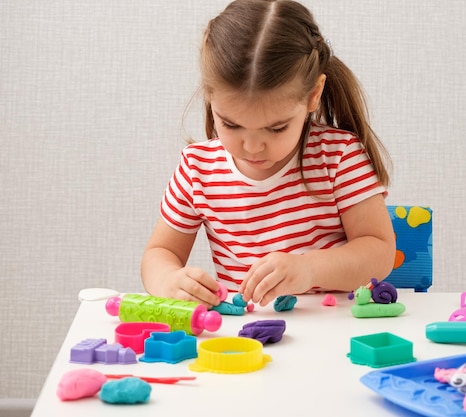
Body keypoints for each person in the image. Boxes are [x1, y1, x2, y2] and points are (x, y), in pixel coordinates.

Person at [141, 0, 395, 308]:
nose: (252, 147)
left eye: (276, 128)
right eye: (231, 124)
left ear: (313, 96)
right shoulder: (198, 169)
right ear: (210, 96)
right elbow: (159, 254)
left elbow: (380, 253)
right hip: (243, 339)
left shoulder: (337, 158)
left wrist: (309, 268)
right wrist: (168, 280)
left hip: (334, 337)